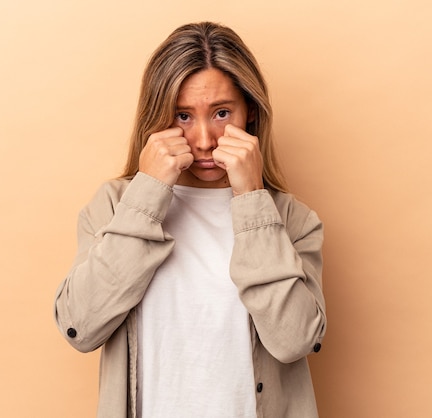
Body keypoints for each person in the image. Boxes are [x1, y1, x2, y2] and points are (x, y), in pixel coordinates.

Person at [54, 21, 326, 418]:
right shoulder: (115, 206)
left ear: (249, 111)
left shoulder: (292, 219)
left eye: (221, 113)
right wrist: (146, 193)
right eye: (183, 115)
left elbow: (294, 340)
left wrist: (251, 200)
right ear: (158, 116)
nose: (203, 139)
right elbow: (80, 325)